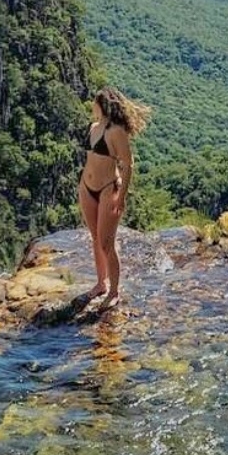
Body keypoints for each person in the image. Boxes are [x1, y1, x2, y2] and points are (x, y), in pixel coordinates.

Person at [77, 86, 150, 316]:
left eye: (95, 102)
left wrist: (122, 196)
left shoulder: (115, 131)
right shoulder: (93, 127)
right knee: (95, 238)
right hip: (87, 187)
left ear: (102, 105)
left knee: (107, 242)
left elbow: (128, 164)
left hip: (108, 189)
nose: (92, 106)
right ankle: (101, 283)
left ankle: (114, 291)